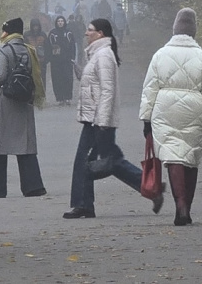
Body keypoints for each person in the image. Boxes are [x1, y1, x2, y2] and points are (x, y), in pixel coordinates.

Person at [63, 18, 164, 219]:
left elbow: (108, 91)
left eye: (90, 30)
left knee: (90, 161)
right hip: (96, 119)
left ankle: (83, 204)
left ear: (100, 34)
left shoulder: (103, 56)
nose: (86, 33)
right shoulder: (97, 55)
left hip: (99, 121)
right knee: (112, 162)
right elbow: (97, 85)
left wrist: (102, 122)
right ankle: (152, 189)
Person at [139, 8, 202, 225]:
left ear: (175, 30)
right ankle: (187, 206)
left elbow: (150, 89)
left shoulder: (160, 55)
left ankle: (180, 205)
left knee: (173, 157)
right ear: (193, 31)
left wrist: (146, 118)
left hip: (165, 111)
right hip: (195, 112)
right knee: (191, 159)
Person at [0, 17, 47, 199]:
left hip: (3, 102)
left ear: (7, 32)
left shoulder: (3, 49)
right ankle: (33, 186)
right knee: (25, 145)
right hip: (23, 100)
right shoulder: (28, 49)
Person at [48, 15, 76, 106]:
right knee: (57, 79)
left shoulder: (68, 33)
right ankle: (60, 98)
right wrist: (50, 58)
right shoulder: (52, 33)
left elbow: (72, 46)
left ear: (64, 22)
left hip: (67, 60)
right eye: (58, 21)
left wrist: (72, 57)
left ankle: (67, 97)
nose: (60, 23)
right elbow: (48, 47)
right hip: (56, 62)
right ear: (56, 22)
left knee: (68, 78)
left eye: (62, 21)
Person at [24, 18, 48, 88]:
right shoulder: (26, 35)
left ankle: (42, 96)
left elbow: (47, 48)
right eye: (34, 26)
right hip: (30, 62)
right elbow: (24, 48)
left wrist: (46, 59)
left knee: (42, 79)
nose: (35, 28)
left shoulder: (43, 35)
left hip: (42, 61)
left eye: (37, 26)